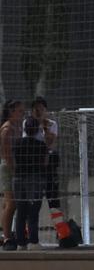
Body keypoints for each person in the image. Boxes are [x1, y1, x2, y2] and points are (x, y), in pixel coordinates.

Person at [12, 116, 48, 250]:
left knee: (20, 211)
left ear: (24, 129)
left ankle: (20, 242)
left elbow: (13, 161)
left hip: (18, 178)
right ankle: (33, 241)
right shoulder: (41, 145)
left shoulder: (16, 143)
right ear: (37, 129)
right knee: (33, 211)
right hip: (35, 178)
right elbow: (45, 163)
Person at [0, 100, 24, 250]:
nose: (22, 114)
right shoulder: (7, 128)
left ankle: (7, 234)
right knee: (11, 203)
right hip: (9, 168)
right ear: (12, 111)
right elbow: (7, 154)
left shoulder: (17, 127)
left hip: (15, 167)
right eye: (20, 111)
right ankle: (7, 237)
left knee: (9, 204)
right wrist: (14, 170)